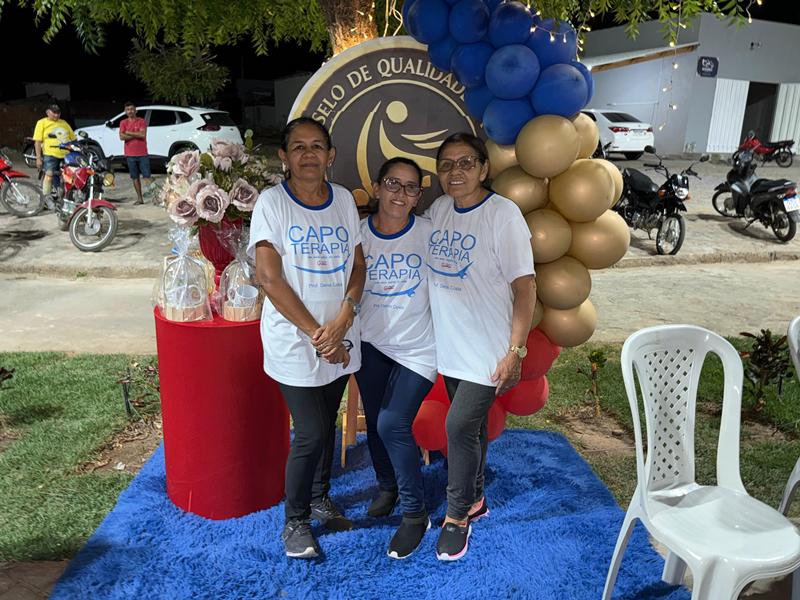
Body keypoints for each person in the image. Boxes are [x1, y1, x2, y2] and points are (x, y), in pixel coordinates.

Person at [248, 117, 366, 560]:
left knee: (328, 419)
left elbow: (358, 265)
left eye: (317, 146)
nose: (309, 154)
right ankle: (295, 521)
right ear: (284, 156)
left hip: (340, 334)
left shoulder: (343, 201)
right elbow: (269, 277)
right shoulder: (272, 203)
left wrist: (344, 317)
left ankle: (319, 497)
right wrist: (320, 335)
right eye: (298, 147)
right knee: (311, 431)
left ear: (330, 155)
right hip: (296, 341)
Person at [426, 133, 536, 561]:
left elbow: (525, 288)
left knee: (457, 428)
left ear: (484, 168)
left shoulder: (503, 215)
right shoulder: (439, 210)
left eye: (466, 163)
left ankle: (456, 518)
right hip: (451, 347)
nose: (456, 172)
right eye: (446, 164)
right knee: (471, 429)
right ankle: (475, 498)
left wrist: (516, 351)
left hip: (488, 351)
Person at [355, 157, 436, 559]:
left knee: (392, 422)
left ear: (419, 195)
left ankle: (415, 514)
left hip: (419, 349)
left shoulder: (430, 233)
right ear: (376, 187)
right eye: (392, 184)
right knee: (375, 421)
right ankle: (387, 486)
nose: (401, 194)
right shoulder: (358, 234)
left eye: (410, 187)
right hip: (371, 343)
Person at [32, 103, 75, 197]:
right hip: (50, 154)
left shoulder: (64, 123)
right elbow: (37, 142)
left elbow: (73, 139)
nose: (56, 115)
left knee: (70, 176)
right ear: (48, 112)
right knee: (49, 175)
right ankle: (46, 198)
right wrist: (38, 158)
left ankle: (67, 196)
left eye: (58, 113)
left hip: (66, 154)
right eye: (54, 113)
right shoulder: (42, 122)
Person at [119, 102, 153, 205]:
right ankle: (140, 199)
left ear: (135, 110)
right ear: (125, 112)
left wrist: (128, 132)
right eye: (128, 109)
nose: (130, 111)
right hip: (130, 155)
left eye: (132, 109)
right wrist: (136, 134)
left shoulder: (141, 121)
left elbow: (142, 135)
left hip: (142, 154)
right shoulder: (123, 122)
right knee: (135, 177)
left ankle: (156, 197)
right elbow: (121, 137)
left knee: (147, 176)